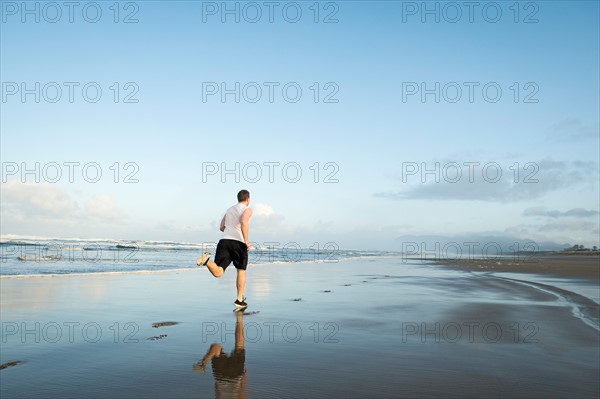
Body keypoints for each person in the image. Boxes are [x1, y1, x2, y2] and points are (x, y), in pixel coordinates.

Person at [197, 190, 253, 308]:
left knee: (219, 271)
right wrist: (246, 241)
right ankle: (239, 299)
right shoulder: (247, 210)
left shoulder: (229, 210)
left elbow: (222, 227)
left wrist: (230, 231)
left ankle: (207, 261)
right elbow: (243, 221)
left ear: (238, 198)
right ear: (248, 199)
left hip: (224, 241)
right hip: (238, 243)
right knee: (241, 271)